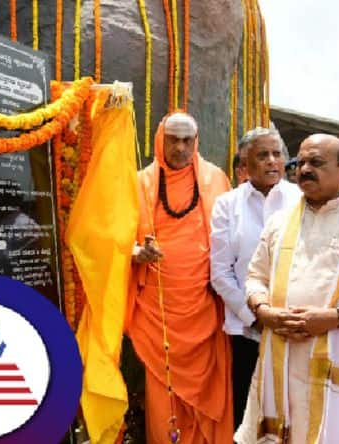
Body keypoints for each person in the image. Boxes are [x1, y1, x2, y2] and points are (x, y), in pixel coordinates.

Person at [235, 134, 339, 444]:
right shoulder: (279, 222)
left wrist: (337, 316)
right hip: (278, 353)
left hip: (335, 356)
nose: (305, 169)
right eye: (302, 162)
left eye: (317, 163)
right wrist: (264, 311)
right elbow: (255, 276)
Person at [127, 112, 233, 444]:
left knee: (208, 389)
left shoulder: (216, 179)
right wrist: (135, 252)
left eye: (188, 139)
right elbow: (116, 237)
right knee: (163, 394)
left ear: (196, 141)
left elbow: (232, 240)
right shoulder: (140, 183)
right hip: (157, 310)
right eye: (173, 138)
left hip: (204, 305)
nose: (181, 147)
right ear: (161, 139)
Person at [210, 127, 301, 433]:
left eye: (277, 154)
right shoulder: (227, 204)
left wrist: (288, 318)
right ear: (245, 165)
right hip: (247, 330)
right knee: (248, 417)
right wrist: (255, 317)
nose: (272, 161)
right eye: (263, 155)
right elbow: (221, 272)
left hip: (295, 327)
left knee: (293, 413)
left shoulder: (300, 200)